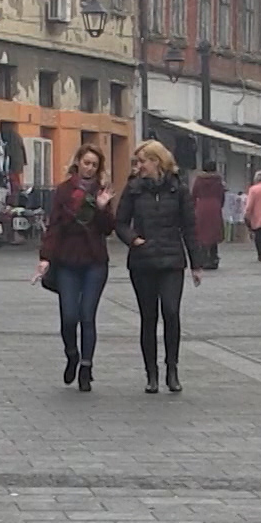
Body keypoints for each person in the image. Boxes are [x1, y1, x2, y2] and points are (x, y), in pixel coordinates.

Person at [116, 140, 203, 393]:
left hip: (171, 260)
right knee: (148, 317)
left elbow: (189, 226)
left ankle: (172, 369)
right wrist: (133, 239)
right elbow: (120, 222)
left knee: (171, 312)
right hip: (142, 261)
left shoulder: (179, 190)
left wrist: (196, 264)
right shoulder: (133, 190)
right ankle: (151, 373)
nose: (139, 166)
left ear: (157, 161)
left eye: (143, 161)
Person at [36, 145, 117, 392]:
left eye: (94, 164)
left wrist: (102, 209)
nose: (89, 168)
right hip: (67, 261)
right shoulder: (63, 191)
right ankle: (72, 353)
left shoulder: (101, 192)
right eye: (86, 163)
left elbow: (107, 229)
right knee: (69, 316)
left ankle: (86, 366)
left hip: (94, 262)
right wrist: (45, 258)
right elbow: (55, 227)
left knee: (87, 315)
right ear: (78, 162)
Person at [189, 161, 227, 270]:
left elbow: (194, 194)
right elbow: (222, 195)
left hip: (201, 207)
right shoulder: (218, 181)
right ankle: (213, 258)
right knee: (213, 233)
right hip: (215, 206)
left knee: (201, 234)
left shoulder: (199, 180)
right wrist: (219, 205)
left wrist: (194, 207)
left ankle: (203, 258)